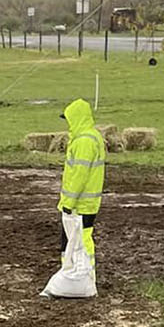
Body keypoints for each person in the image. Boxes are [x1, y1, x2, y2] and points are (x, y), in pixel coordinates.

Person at [56, 95, 105, 273]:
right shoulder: (91, 137)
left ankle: (79, 275)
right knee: (75, 239)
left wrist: (68, 203)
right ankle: (75, 274)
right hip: (85, 203)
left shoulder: (84, 141)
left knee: (78, 240)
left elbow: (79, 176)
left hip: (80, 204)